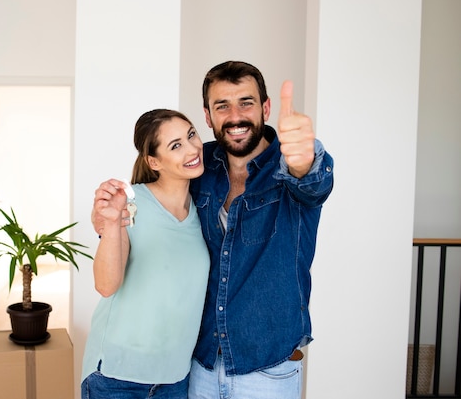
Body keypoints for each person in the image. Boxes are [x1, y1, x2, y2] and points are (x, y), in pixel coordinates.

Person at [186, 61, 334, 399]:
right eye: (222, 105)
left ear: (266, 107)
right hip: (200, 364)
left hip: (267, 371)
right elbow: (157, 199)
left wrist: (304, 161)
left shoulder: (290, 164)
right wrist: (120, 213)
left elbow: (314, 184)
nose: (235, 116)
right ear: (208, 117)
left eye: (246, 102)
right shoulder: (198, 166)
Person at [81, 109, 211, 399]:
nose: (192, 149)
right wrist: (112, 222)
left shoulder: (204, 207)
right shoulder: (130, 202)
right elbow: (105, 284)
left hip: (175, 378)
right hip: (116, 376)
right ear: (154, 162)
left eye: (191, 135)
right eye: (175, 145)